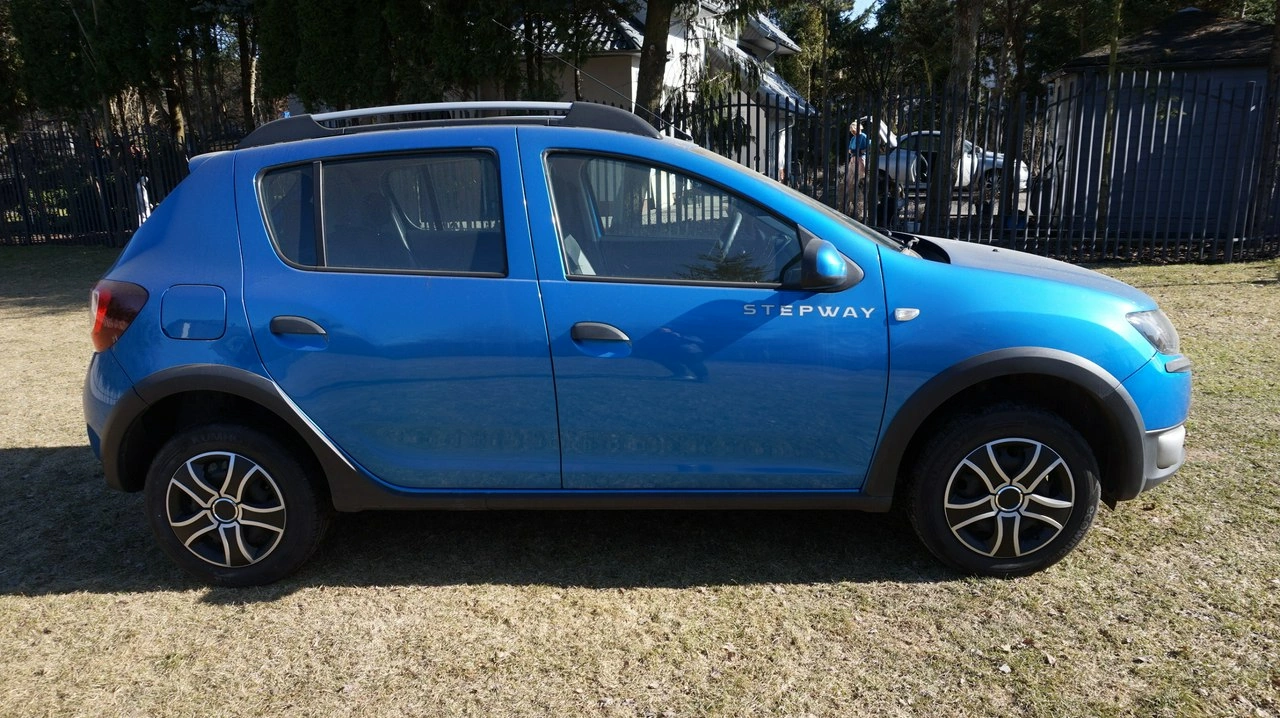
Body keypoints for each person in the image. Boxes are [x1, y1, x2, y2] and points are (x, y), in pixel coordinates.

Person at [843, 120, 870, 219]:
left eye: (853, 130)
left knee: (861, 178)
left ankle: (861, 200)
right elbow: (849, 149)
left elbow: (868, 147)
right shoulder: (853, 138)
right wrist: (852, 151)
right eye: (852, 131)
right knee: (850, 179)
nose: (852, 132)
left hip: (861, 158)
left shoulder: (864, 136)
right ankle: (850, 200)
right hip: (853, 158)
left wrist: (860, 151)